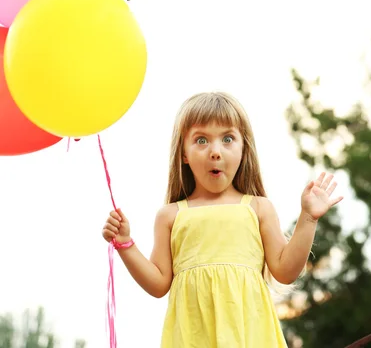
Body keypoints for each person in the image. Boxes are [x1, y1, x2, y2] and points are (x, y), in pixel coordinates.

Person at [102, 91, 343, 347]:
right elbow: (159, 284)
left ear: (243, 148)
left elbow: (285, 271)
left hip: (250, 338)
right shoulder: (170, 215)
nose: (215, 151)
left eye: (228, 138)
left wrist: (308, 218)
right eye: (201, 140)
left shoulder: (259, 208)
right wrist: (125, 244)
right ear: (183, 153)